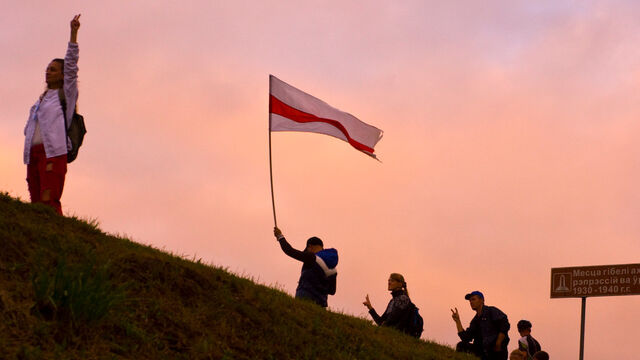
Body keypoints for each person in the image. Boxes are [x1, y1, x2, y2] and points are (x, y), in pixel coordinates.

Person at [23, 14, 81, 215]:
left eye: (54, 70)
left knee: (49, 198)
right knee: (36, 200)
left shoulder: (66, 94)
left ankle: (57, 233)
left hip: (53, 153)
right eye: (47, 69)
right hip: (33, 153)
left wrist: (73, 34)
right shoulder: (40, 100)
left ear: (63, 75)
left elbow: (72, 66)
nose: (48, 72)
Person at [273, 227, 338, 308]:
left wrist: (280, 236)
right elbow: (332, 291)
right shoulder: (333, 269)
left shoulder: (312, 257)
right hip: (321, 305)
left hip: (305, 299)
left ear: (310, 247)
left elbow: (290, 251)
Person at [451, 290, 510, 360]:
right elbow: (466, 338)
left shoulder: (491, 311)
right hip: (482, 352)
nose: (471, 302)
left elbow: (504, 324)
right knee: (461, 345)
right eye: (470, 301)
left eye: (473, 299)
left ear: (482, 300)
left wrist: (498, 343)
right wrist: (457, 321)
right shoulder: (475, 321)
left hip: (496, 351)